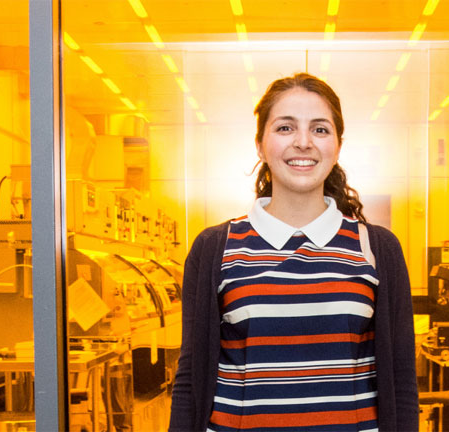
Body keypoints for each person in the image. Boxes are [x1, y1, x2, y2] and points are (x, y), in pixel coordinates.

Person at [169, 73, 417, 431]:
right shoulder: (216, 248)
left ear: (338, 145)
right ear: (260, 144)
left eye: (320, 129)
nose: (303, 142)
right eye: (285, 128)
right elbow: (190, 379)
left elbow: (402, 382)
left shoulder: (376, 248)